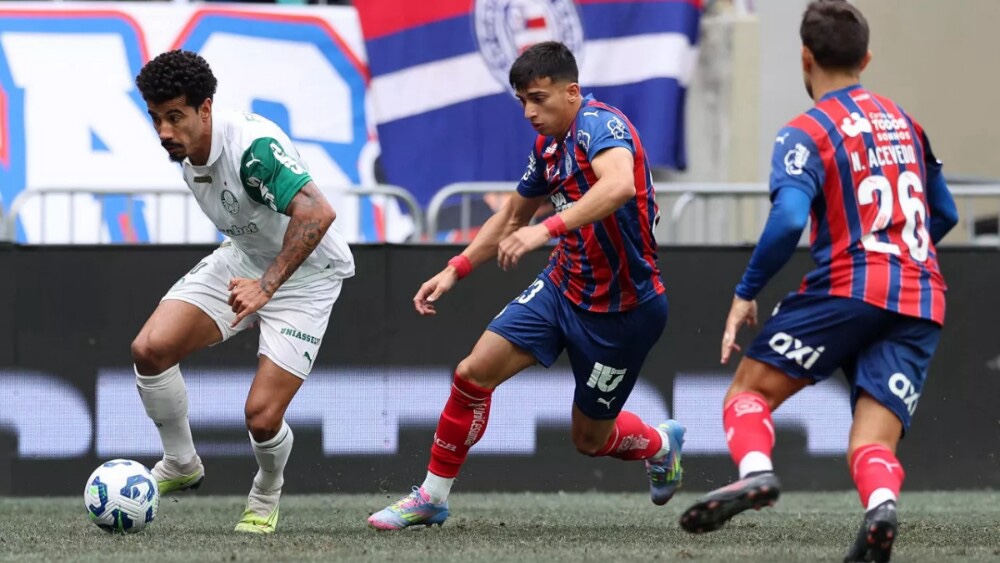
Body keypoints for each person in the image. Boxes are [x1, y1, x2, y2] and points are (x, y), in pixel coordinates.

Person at [676, 2, 958, 562]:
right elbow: (943, 212)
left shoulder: (805, 132)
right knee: (872, 441)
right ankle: (881, 507)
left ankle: (756, 472)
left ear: (805, 57)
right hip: (921, 294)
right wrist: (902, 256)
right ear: (866, 58)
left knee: (748, 394)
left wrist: (746, 290)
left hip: (849, 285)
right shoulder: (907, 123)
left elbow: (787, 221)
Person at [367, 41, 685, 530]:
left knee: (590, 439)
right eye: (522, 102)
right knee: (473, 373)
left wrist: (546, 229)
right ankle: (432, 497)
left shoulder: (601, 125)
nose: (529, 112)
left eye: (538, 98)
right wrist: (456, 268)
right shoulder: (548, 148)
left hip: (623, 310)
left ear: (572, 92)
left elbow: (619, 184)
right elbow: (512, 216)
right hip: (562, 286)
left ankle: (660, 445)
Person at [131, 50, 355, 534]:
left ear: (205, 109)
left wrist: (266, 286)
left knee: (261, 418)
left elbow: (317, 213)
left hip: (307, 278)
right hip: (244, 259)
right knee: (149, 350)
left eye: (175, 117)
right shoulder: (187, 149)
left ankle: (266, 493)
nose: (164, 131)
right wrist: (256, 276)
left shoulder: (253, 150)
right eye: (156, 118)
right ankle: (181, 462)